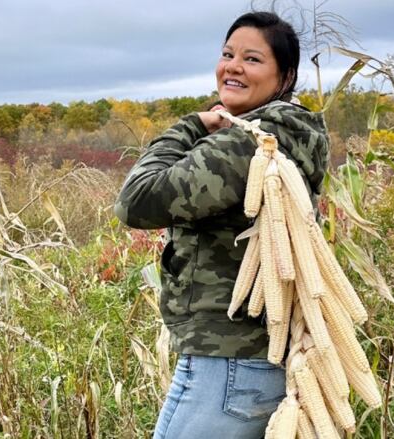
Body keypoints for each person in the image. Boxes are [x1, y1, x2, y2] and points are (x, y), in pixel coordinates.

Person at [114, 11, 329, 438]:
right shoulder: (286, 136)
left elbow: (136, 202)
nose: (232, 66)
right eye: (227, 53)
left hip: (228, 360)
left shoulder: (247, 144)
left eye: (252, 59)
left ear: (285, 78)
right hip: (258, 358)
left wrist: (191, 125)